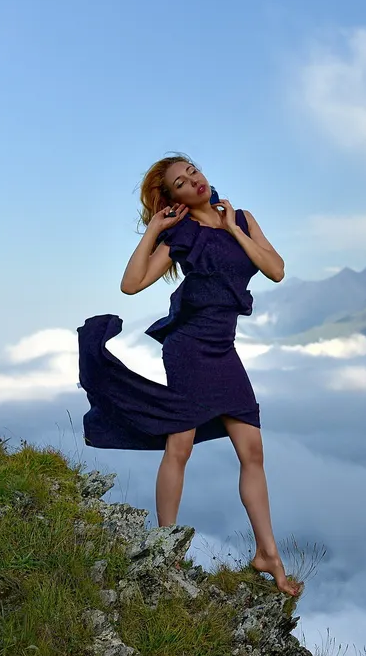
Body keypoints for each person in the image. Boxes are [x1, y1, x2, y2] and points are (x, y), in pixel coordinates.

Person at [76, 153, 303, 597]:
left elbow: (275, 270)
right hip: (189, 348)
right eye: (181, 182)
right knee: (179, 446)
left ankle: (267, 554)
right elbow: (132, 283)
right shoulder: (180, 234)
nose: (192, 181)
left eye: (192, 172)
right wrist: (154, 231)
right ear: (173, 196)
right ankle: (166, 548)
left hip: (224, 348)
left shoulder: (242, 219)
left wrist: (236, 229)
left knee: (252, 450)